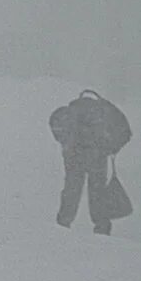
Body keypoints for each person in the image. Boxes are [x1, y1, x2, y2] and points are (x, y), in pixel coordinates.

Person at [49, 89, 132, 234]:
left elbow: (58, 128)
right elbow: (125, 132)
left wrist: (66, 145)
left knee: (72, 188)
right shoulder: (105, 110)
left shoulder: (71, 110)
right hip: (97, 155)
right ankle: (101, 226)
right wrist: (112, 148)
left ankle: (63, 222)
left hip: (74, 155)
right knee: (97, 191)